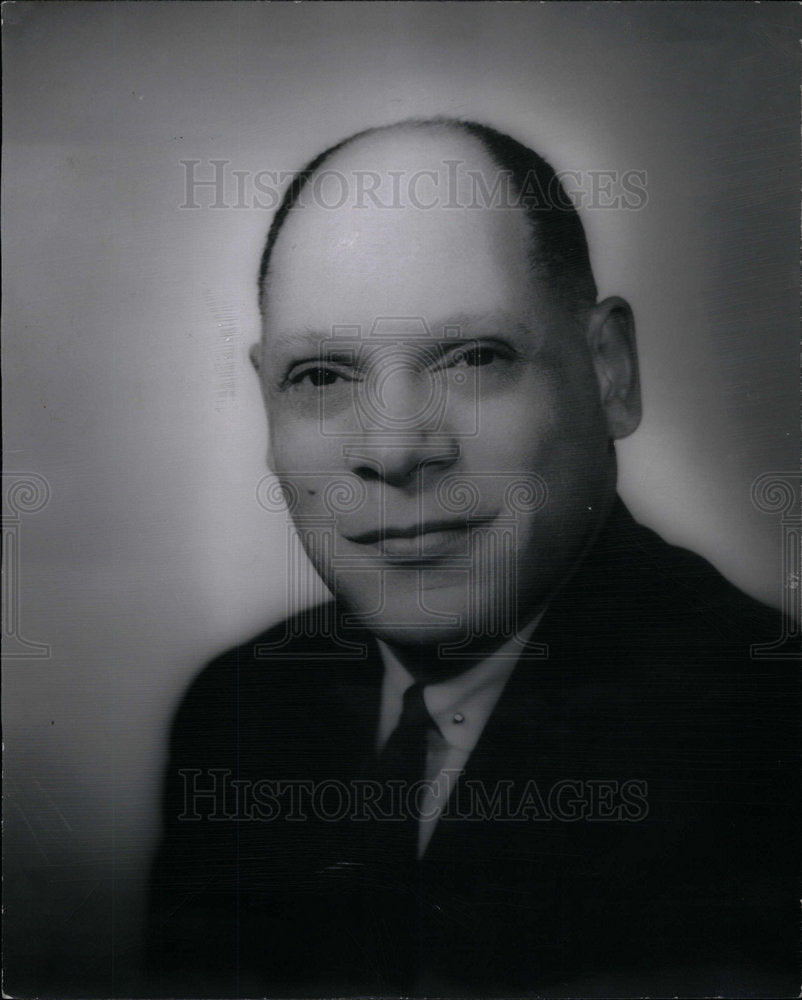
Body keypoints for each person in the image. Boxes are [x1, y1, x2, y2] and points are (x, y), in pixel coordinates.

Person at [147, 119, 798, 997]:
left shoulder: (768, 735)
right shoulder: (237, 716)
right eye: (321, 377)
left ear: (610, 372)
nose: (396, 448)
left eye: (474, 357)